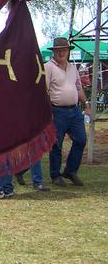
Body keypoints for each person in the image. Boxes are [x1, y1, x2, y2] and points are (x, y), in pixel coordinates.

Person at [44, 37, 91, 186]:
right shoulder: (48, 67)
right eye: (58, 50)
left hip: (74, 110)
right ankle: (55, 175)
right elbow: (44, 91)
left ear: (68, 52)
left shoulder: (72, 68)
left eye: (64, 50)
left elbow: (78, 87)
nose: (61, 52)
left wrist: (87, 104)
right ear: (54, 52)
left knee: (81, 139)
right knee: (56, 144)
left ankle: (70, 171)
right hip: (57, 111)